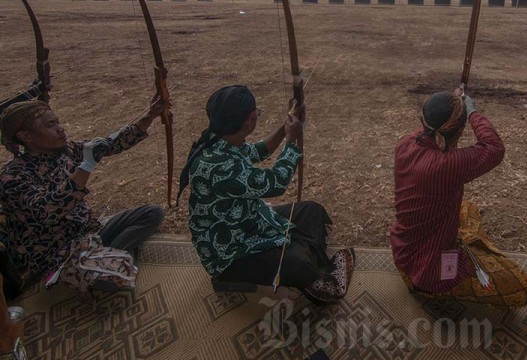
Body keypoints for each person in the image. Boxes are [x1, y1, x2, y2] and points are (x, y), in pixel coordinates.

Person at [179, 85, 354, 305]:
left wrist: (284, 128)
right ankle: (231, 277)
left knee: (311, 211)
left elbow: (258, 151)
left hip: (248, 221)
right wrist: (291, 141)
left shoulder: (221, 140)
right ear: (250, 120)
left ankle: (302, 253)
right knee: (299, 262)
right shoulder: (217, 164)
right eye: (256, 113)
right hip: (229, 254)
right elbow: (275, 183)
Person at [0, 99, 165, 294]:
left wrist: (150, 116)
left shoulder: (64, 151)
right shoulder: (13, 177)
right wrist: (85, 166)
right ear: (25, 136)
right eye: (50, 125)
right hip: (60, 256)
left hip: (89, 233)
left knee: (152, 213)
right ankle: (109, 260)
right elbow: (49, 212)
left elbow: (112, 143)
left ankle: (108, 257)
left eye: (57, 122)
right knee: (115, 281)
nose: (60, 129)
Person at [390, 89, 527, 309]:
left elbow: (436, 121)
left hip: (403, 254)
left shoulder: (406, 144)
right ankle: (437, 293)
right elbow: (494, 148)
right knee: (522, 288)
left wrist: (454, 102)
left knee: (468, 209)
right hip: (430, 271)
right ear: (457, 130)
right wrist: (472, 111)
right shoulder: (448, 165)